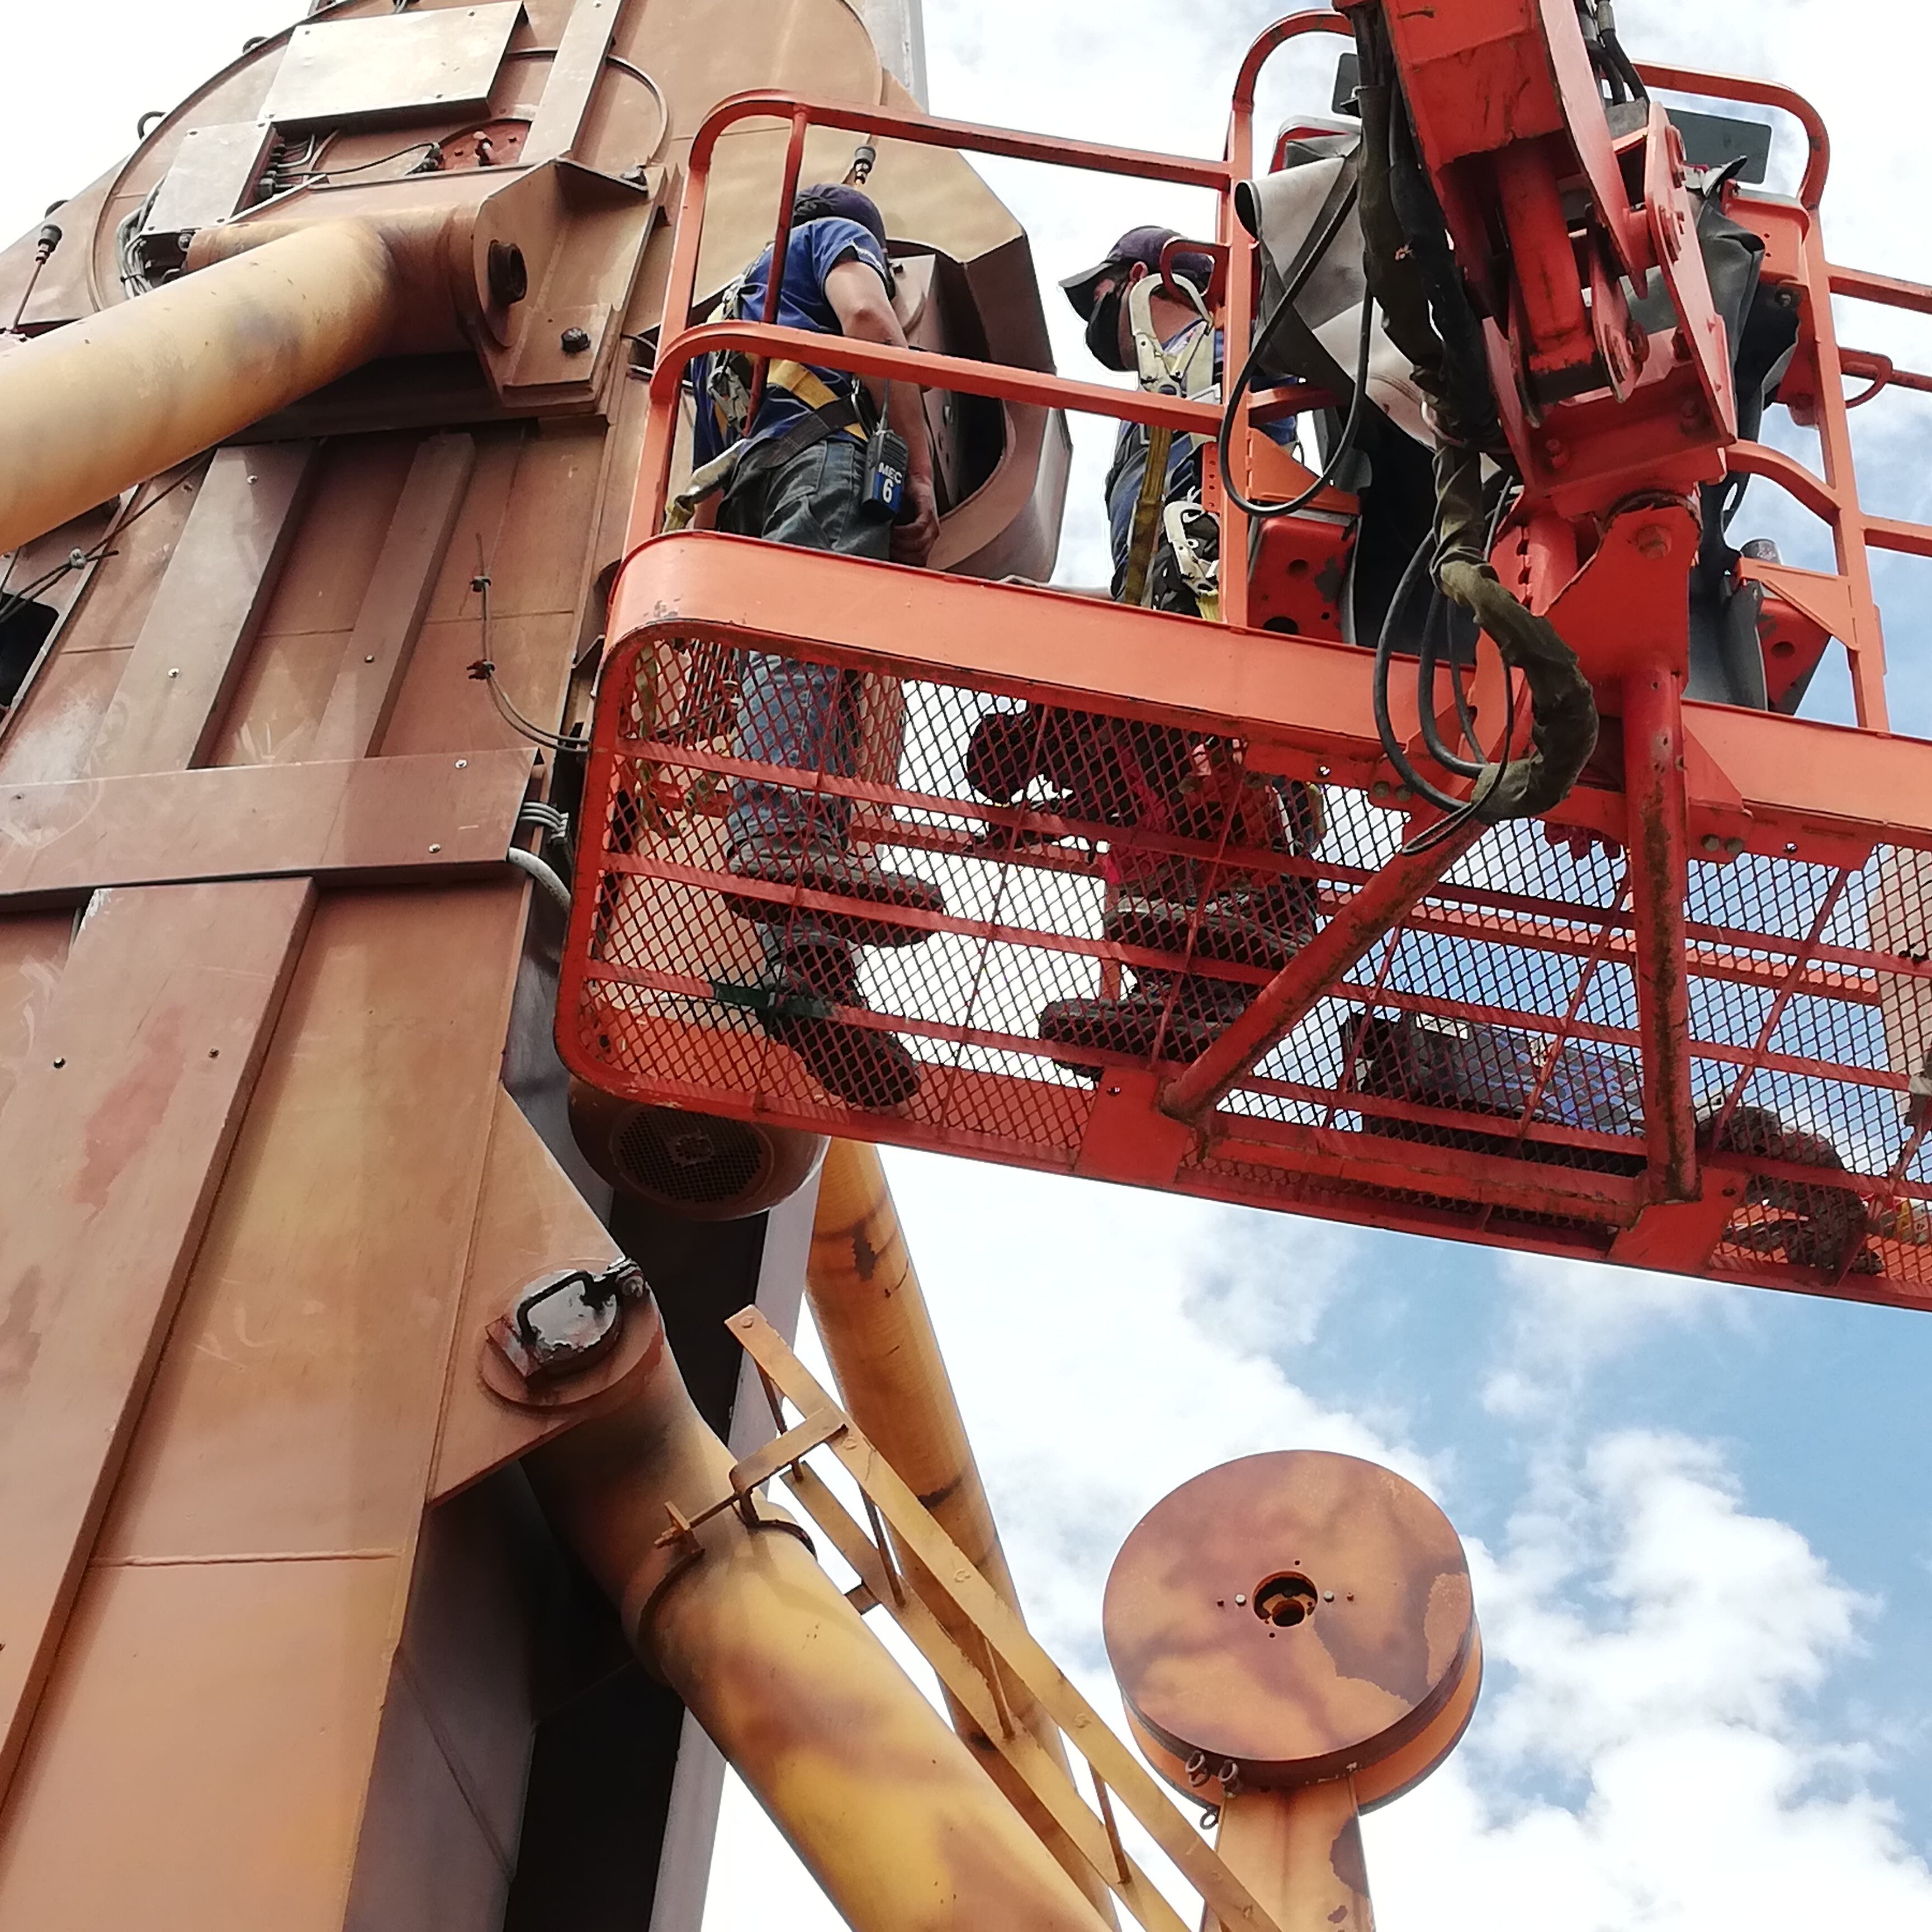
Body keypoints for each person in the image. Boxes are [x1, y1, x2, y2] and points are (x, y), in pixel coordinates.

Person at [1021, 226, 1322, 1068]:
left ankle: (1268, 913)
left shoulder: (1229, 354)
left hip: (1219, 603)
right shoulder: (1151, 404)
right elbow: (1137, 561)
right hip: (1163, 613)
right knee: (1134, 782)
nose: (1097, 313)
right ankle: (1173, 996)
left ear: (1150, 279)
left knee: (1217, 784)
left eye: (1103, 291)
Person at [686, 184, 943, 1110]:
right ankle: (780, 837)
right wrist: (917, 465)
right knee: (810, 655)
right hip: (821, 456)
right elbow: (871, 321)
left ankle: (807, 966)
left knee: (808, 679)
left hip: (750, 497)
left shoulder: (725, 319)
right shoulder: (831, 237)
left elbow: (704, 477)